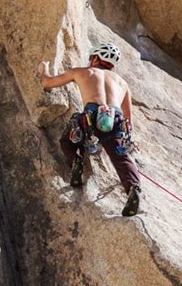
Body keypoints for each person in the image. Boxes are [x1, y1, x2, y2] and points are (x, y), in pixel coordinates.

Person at [39, 43, 142, 216]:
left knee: (68, 140)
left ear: (95, 58)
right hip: (114, 119)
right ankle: (133, 189)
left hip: (90, 117)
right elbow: (128, 120)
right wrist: (126, 139)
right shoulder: (122, 83)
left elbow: (47, 83)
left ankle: (76, 162)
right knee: (121, 157)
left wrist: (44, 69)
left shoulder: (82, 71)